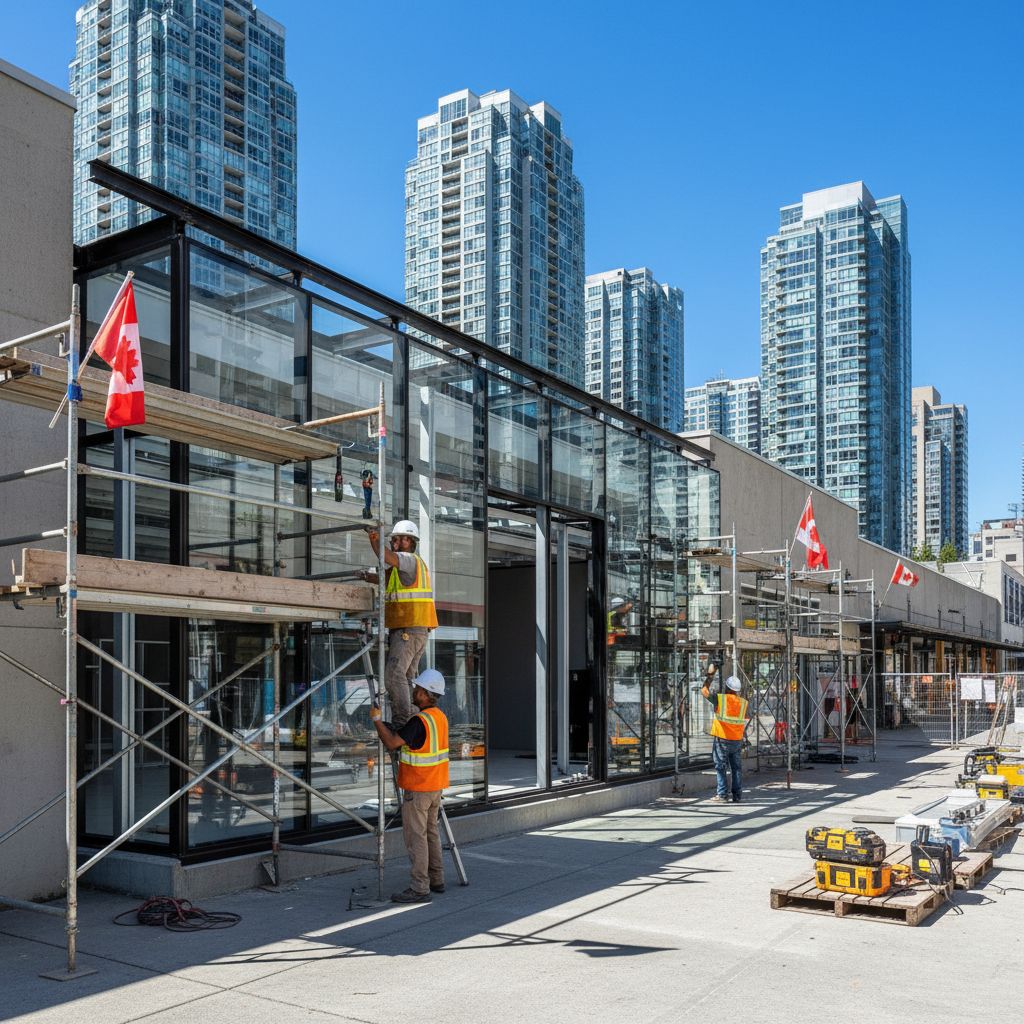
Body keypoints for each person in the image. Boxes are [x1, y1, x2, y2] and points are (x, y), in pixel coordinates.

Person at [370, 669, 449, 903]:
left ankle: (419, 888)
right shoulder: (439, 717)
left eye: (418, 689)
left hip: (418, 788)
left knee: (417, 839)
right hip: (435, 786)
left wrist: (376, 721)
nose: (414, 692)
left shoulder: (419, 720)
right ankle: (437, 879)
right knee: (431, 834)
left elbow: (393, 743)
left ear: (426, 694)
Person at [364, 520, 438, 728]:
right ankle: (412, 716)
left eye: (396, 539)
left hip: (409, 628)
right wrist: (366, 576)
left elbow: (385, 556)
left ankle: (402, 720)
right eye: (392, 540)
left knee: (394, 674)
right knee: (405, 676)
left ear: (408, 540)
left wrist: (373, 536)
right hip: (415, 628)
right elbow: (383, 578)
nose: (394, 543)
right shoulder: (404, 567)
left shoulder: (407, 559)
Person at [701, 667, 749, 804]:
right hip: (737, 740)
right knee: (736, 769)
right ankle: (737, 795)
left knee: (721, 767)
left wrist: (709, 677)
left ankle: (722, 795)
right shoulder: (743, 703)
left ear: (727, 687)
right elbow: (744, 719)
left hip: (722, 739)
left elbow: (704, 691)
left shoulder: (720, 699)